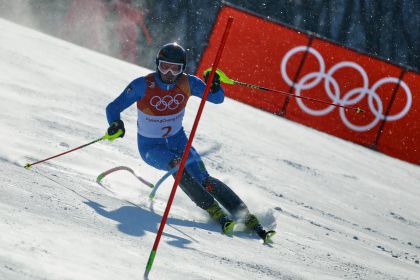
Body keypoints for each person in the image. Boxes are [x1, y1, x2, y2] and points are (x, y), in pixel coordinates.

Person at [105, 42, 275, 242]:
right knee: (177, 166)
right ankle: (214, 212)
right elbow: (113, 107)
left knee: (205, 180)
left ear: (183, 69)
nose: (169, 72)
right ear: (157, 64)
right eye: (164, 66)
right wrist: (116, 124)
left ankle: (245, 216)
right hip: (152, 148)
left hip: (179, 142)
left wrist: (214, 85)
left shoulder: (188, 83)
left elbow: (217, 99)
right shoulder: (143, 85)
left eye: (175, 68)